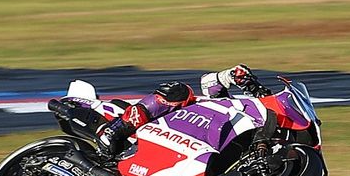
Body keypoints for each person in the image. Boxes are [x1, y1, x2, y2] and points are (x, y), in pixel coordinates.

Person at [96, 64, 271, 156]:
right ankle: (113, 131)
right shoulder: (239, 109)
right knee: (178, 91)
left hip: (197, 150)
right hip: (181, 123)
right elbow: (208, 83)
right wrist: (235, 77)